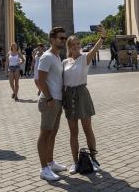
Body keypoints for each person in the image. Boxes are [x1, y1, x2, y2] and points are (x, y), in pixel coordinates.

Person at [63, 26, 106, 174]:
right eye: (73, 45)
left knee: (88, 129)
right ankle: (75, 162)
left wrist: (102, 37)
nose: (76, 47)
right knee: (73, 132)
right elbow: (61, 82)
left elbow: (95, 49)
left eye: (78, 44)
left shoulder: (84, 58)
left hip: (82, 93)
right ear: (69, 47)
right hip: (69, 95)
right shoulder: (64, 62)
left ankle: (94, 159)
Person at [36, 27, 68, 181]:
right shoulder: (47, 57)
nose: (64, 40)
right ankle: (44, 169)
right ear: (52, 40)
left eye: (64, 38)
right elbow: (39, 80)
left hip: (57, 100)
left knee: (52, 134)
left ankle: (50, 162)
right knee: (45, 135)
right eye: (61, 38)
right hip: (49, 100)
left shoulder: (57, 56)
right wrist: (49, 98)